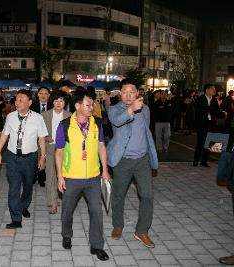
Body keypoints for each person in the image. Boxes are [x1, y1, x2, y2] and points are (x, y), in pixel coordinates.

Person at [54, 90, 110, 261]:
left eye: (92, 104)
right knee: (67, 211)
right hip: (71, 177)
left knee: (96, 211)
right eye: (88, 105)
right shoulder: (64, 125)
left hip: (93, 177)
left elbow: (101, 147)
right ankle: (67, 235)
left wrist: (105, 171)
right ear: (77, 106)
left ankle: (97, 245)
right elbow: (59, 152)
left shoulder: (97, 124)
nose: (91, 107)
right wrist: (60, 176)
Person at [107, 78, 158, 248]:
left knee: (147, 195)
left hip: (142, 160)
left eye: (132, 92)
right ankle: (118, 225)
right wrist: (130, 109)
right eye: (125, 92)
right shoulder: (114, 109)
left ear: (138, 93)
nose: (128, 95)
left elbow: (145, 130)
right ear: (120, 94)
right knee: (118, 195)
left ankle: (142, 230)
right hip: (123, 160)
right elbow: (117, 122)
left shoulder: (146, 110)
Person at [0, 89, 47, 229]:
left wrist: (43, 157)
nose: (17, 102)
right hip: (12, 157)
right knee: (13, 188)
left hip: (30, 158)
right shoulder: (10, 116)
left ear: (29, 102)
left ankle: (24, 205)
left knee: (28, 185)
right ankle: (16, 218)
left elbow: (41, 138)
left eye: (21, 100)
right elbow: (4, 135)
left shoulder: (38, 118)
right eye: (16, 99)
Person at [42, 90, 71, 214]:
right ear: (52, 101)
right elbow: (40, 133)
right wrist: (45, 137)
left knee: (63, 176)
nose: (58, 103)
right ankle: (52, 202)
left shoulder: (70, 116)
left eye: (61, 100)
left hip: (65, 150)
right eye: (56, 100)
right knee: (50, 176)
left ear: (65, 103)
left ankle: (62, 197)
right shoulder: (45, 115)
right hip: (49, 148)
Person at [193, 84, 222, 167]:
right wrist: (212, 110)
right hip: (201, 123)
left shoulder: (214, 100)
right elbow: (202, 109)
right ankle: (196, 160)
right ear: (207, 90)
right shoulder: (200, 98)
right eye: (212, 89)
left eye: (214, 89)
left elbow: (216, 111)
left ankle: (204, 161)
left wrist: (222, 114)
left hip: (211, 123)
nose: (214, 90)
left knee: (210, 142)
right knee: (200, 142)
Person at [31, 86, 53, 187]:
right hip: (34, 136)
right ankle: (33, 176)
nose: (43, 95)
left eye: (45, 93)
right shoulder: (32, 106)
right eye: (41, 93)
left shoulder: (53, 106)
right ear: (38, 95)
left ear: (49, 95)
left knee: (45, 156)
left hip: (48, 136)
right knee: (35, 156)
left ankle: (42, 177)